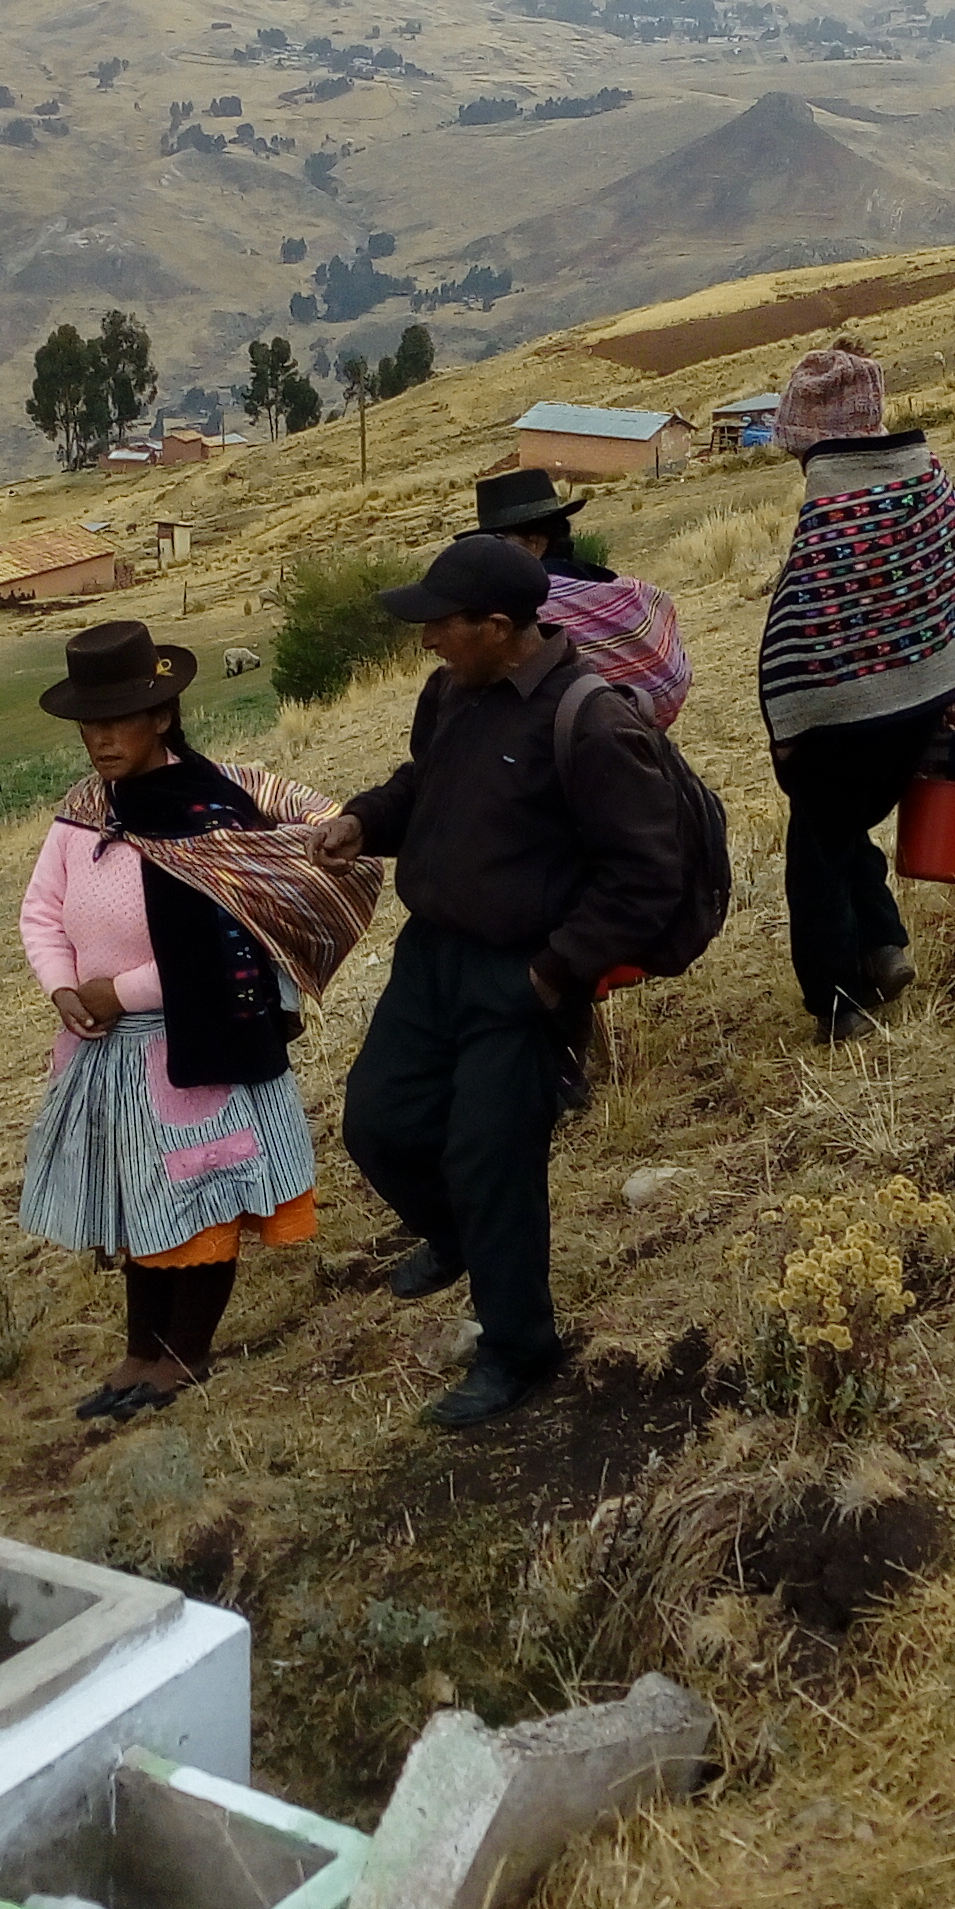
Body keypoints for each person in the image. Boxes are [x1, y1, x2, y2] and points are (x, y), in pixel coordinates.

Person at [313, 534, 688, 1426]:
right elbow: (426, 787)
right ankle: (456, 1237)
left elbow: (645, 877)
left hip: (521, 977)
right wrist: (365, 822)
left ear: (499, 626)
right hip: (430, 957)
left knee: (494, 1162)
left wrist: (551, 975)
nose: (428, 640)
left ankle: (519, 1348)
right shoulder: (451, 691)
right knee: (379, 1122)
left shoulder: (592, 722)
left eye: (443, 625)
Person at [16, 621, 379, 1420]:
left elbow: (239, 940)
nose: (101, 740)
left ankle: (184, 1355)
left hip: (195, 1046)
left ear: (161, 718)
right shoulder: (83, 812)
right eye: (89, 723)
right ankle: (139, 1352)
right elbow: (42, 909)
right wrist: (62, 987)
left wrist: (125, 992)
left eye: (118, 720)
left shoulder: (214, 813)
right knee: (137, 1197)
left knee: (199, 1198)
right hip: (102, 1050)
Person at [753, 342, 955, 1038]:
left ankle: (839, 1002)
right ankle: (883, 946)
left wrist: (790, 723)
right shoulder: (927, 477)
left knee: (817, 843)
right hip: (920, 703)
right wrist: (942, 689)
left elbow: (802, 627)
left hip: (843, 711)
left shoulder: (831, 505)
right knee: (841, 827)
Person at [474, 467, 691, 727]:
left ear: (534, 543)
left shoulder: (528, 601)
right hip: (636, 732)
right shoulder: (605, 581)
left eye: (497, 542)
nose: (487, 555)